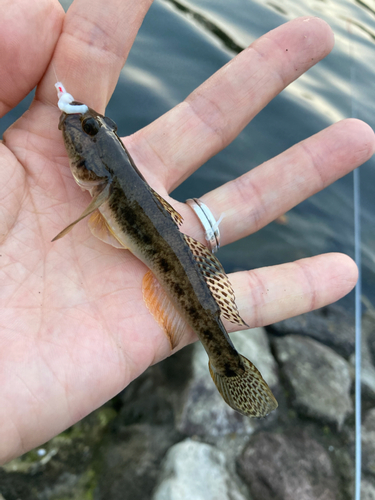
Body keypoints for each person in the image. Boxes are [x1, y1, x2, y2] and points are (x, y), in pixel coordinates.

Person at [0, 0, 374, 465]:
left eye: (93, 128)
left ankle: (227, 357)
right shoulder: (104, 178)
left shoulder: (106, 179)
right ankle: (225, 353)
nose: (82, 128)